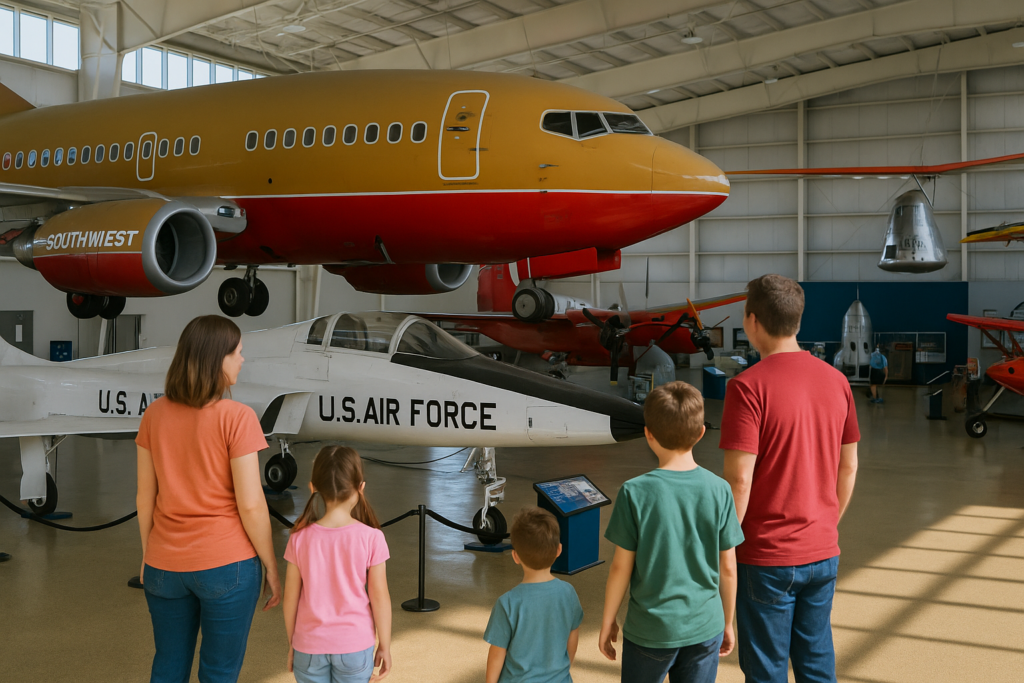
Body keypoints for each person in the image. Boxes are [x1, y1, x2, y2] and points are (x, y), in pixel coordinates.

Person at [720, 274, 860, 683]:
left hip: (765, 557)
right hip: (823, 551)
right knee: (816, 661)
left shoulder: (746, 388)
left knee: (766, 668)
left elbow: (739, 480)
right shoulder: (837, 381)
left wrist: (724, 545)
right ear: (797, 320)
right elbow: (849, 466)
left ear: (752, 321)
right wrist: (826, 524)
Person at [136, 315, 281, 683]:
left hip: (163, 565)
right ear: (217, 359)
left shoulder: (154, 414)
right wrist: (270, 565)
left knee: (167, 667)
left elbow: (145, 496)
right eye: (237, 353)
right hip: (226, 564)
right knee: (219, 673)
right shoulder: (239, 418)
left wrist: (149, 555)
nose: (242, 360)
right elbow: (251, 504)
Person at [599, 381, 744, 683]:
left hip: (650, 630)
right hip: (705, 628)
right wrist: (728, 622)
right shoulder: (720, 490)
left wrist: (608, 619)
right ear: (701, 433)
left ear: (648, 434)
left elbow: (620, 567)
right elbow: (728, 567)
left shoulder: (634, 492)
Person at [283, 446, 392, 683]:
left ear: (312, 487)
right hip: (355, 646)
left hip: (308, 647)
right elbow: (379, 597)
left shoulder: (298, 538)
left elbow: (290, 598)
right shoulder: (372, 537)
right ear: (361, 487)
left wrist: (293, 643)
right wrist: (384, 644)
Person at [484, 507, 583, 683]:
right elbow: (572, 638)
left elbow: (497, 653)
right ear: (558, 550)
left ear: (515, 556)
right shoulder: (568, 593)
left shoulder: (507, 603)